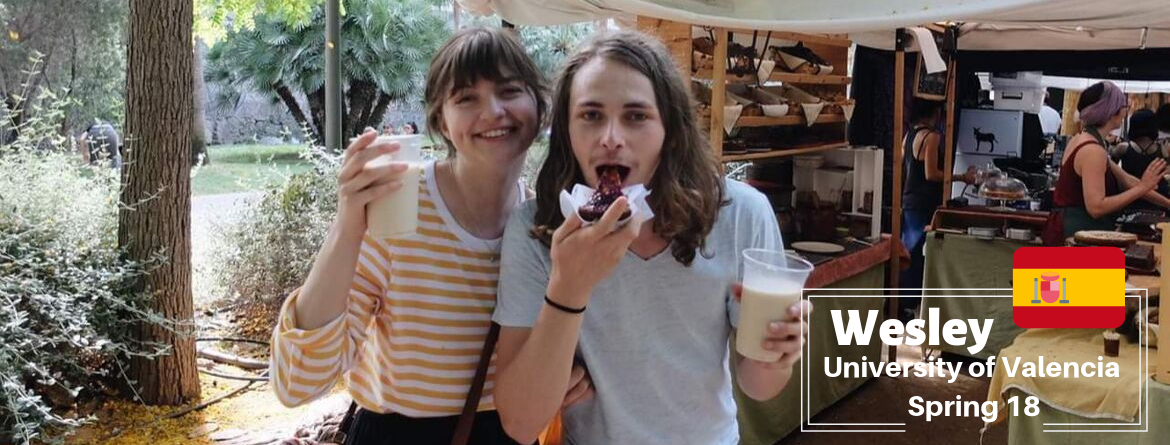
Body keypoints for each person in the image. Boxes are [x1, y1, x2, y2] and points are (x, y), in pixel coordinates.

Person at [491, 31, 810, 445]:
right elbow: (519, 423)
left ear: (671, 130)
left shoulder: (740, 214)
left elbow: (759, 385)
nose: (610, 137)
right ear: (567, 130)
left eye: (636, 116)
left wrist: (777, 354)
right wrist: (569, 286)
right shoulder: (537, 229)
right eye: (590, 115)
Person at [269, 26, 567, 445]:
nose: (493, 111)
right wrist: (348, 225)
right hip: (398, 433)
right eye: (467, 98)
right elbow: (297, 383)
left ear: (540, 106)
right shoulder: (400, 211)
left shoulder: (546, 225)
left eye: (509, 90)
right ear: (441, 121)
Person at [1046, 81, 1170, 244]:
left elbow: (1127, 180)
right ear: (1112, 111)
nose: (1126, 111)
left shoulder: (1086, 140)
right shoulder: (1092, 150)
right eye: (1122, 106)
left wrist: (1167, 203)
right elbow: (1096, 207)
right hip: (1078, 234)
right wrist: (1142, 187)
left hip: (1075, 229)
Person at [899, 100, 945, 303]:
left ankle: (902, 303)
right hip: (925, 202)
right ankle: (910, 302)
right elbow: (931, 173)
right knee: (918, 254)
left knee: (907, 254)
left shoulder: (908, 137)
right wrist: (959, 176)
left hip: (909, 199)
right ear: (934, 113)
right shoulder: (932, 137)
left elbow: (903, 169)